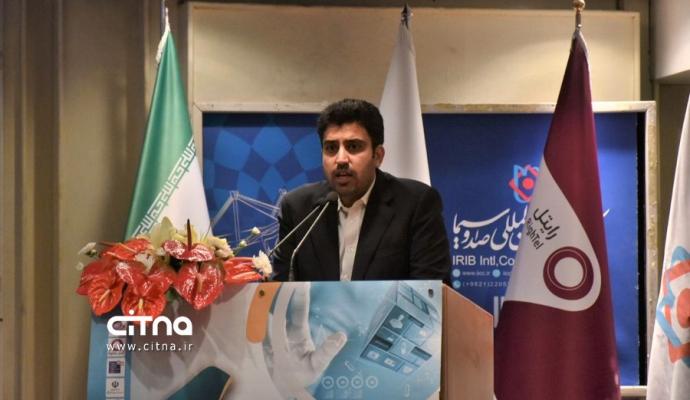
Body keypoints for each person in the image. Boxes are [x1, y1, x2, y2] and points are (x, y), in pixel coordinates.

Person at [273, 98, 450, 281]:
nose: (341, 159)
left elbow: (431, 289)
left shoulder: (415, 204)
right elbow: (278, 289)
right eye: (331, 148)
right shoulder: (298, 208)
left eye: (353, 147)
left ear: (378, 156)